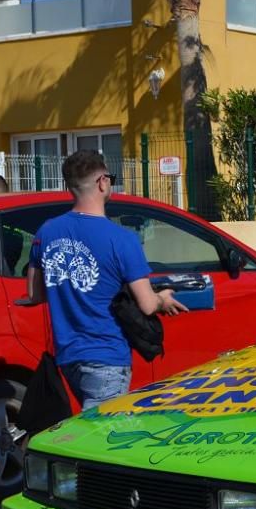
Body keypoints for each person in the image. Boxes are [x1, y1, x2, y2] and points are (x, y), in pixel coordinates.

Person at [21, 151, 187, 410]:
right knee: (106, 435)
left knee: (92, 429)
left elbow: (35, 293)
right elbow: (146, 304)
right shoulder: (122, 239)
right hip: (106, 355)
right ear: (102, 182)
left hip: (67, 355)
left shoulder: (46, 232)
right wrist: (162, 299)